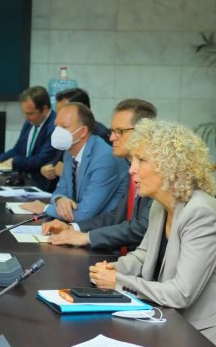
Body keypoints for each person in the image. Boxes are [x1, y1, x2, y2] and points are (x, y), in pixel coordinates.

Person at [89, 119, 216, 346]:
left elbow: (182, 294)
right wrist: (113, 268)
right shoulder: (161, 205)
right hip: (168, 320)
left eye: (142, 160)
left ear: (171, 167)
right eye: (132, 160)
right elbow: (142, 255)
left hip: (205, 332)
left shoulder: (202, 213)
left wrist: (117, 281)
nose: (132, 169)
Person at [42, 99, 157, 250]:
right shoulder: (130, 166)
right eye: (112, 131)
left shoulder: (155, 172)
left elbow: (140, 228)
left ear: (143, 132)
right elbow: (116, 215)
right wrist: (73, 228)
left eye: (120, 131)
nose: (111, 138)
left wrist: (85, 237)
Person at [21, 103, 129, 222]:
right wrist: (60, 200)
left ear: (83, 131)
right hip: (76, 227)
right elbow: (60, 190)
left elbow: (84, 214)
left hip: (101, 231)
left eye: (64, 126)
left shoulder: (105, 158)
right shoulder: (69, 151)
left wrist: (45, 208)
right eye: (56, 126)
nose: (57, 131)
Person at [0, 86, 58, 190]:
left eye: (30, 113)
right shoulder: (30, 122)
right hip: (24, 182)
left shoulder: (55, 127)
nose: (26, 117)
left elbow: (41, 160)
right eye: (24, 113)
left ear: (44, 109)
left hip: (43, 187)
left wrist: (14, 161)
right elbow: (18, 149)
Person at [40, 88, 110, 184]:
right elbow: (57, 160)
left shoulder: (101, 135)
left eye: (65, 113)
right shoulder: (65, 132)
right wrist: (47, 167)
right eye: (57, 114)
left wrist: (68, 172)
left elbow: (101, 177)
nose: (58, 119)